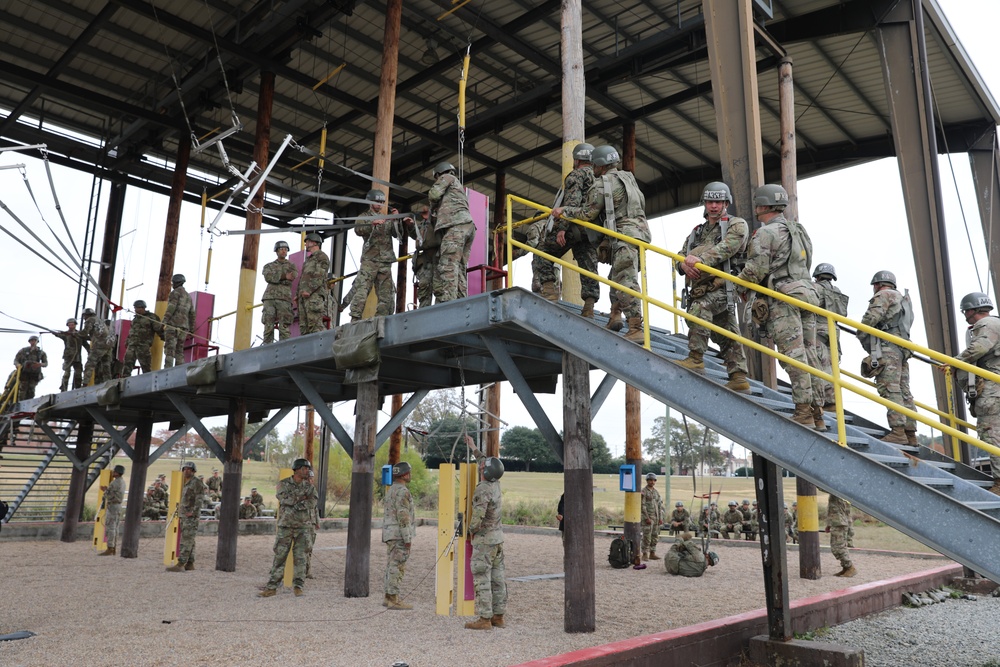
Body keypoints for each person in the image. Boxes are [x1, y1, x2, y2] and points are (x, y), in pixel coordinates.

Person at [735, 184, 821, 428]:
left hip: (784, 298)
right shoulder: (799, 230)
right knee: (810, 354)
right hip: (807, 294)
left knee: (793, 356)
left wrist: (734, 283)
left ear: (763, 205)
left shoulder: (766, 233)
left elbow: (756, 269)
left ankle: (804, 412)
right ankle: (818, 413)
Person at [552, 145, 651, 342]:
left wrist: (564, 211)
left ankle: (636, 327)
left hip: (624, 236)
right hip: (640, 235)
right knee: (616, 276)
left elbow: (588, 213)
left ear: (599, 165)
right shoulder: (628, 178)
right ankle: (615, 316)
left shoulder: (601, 184)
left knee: (625, 281)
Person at [676, 181, 751, 392]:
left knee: (700, 311)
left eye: (718, 202)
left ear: (726, 203)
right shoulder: (696, 232)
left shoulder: (736, 225)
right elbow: (680, 255)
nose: (714, 206)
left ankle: (696, 359)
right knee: (726, 331)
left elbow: (727, 248)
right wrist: (683, 264)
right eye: (710, 201)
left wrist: (698, 261)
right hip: (700, 287)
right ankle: (738, 376)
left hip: (723, 285)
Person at [532, 142, 599, 316]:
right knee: (588, 266)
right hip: (591, 230)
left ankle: (549, 291)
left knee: (542, 250)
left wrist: (562, 228)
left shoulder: (576, 175)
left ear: (577, 160)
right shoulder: (599, 178)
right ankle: (589, 307)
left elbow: (572, 203)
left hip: (573, 226)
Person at [857, 270, 916, 445]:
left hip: (889, 346)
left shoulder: (883, 295)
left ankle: (898, 432)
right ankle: (910, 433)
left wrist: (860, 333)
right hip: (903, 345)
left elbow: (871, 318)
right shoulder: (903, 298)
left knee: (890, 389)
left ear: (877, 285)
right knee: (904, 390)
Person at [950, 292, 1000, 494]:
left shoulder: (986, 324)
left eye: (965, 311)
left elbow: (980, 347)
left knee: (991, 435)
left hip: (992, 389)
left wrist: (955, 361)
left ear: (972, 310)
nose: (965, 315)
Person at [258, 458, 318, 597]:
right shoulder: (283, 484)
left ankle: (298, 586)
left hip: (303, 526)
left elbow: (312, 502)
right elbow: (284, 498)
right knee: (280, 556)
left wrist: (297, 503)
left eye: (308, 468)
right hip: (286, 526)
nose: (307, 471)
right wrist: (301, 498)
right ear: (296, 469)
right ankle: (272, 587)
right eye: (304, 468)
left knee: (301, 558)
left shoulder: (310, 487)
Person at [465, 456, 507, 630]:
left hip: (484, 540)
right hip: (497, 538)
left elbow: (478, 516)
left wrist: (470, 531)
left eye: (483, 466)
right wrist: (473, 447)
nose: (481, 466)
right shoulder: (496, 484)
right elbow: (489, 462)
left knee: (482, 577)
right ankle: (498, 616)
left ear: (485, 471)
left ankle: (484, 618)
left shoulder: (483, 488)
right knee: (498, 578)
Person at [349, 189, 400, 322]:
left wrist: (395, 220)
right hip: (369, 260)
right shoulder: (364, 216)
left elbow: (396, 234)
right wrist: (372, 224)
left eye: (382, 202)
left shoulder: (386, 218)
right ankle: (355, 318)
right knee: (362, 289)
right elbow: (358, 230)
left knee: (386, 293)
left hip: (385, 261)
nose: (380, 204)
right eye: (377, 201)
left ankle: (381, 318)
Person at [428, 162, 475, 304]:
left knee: (447, 263)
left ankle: (449, 302)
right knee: (458, 266)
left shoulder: (446, 177)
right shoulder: (457, 185)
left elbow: (434, 194)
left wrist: (432, 205)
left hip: (457, 226)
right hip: (468, 227)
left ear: (438, 174)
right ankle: (461, 301)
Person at [382, 461, 416, 610]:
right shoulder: (403, 491)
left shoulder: (391, 490)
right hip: (398, 534)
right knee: (398, 565)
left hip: (390, 533)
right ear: (404, 474)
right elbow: (403, 516)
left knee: (391, 564)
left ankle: (388, 596)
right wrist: (407, 538)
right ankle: (393, 598)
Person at [167, 461, 205, 572]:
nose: (186, 471)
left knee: (186, 540)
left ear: (193, 471)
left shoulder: (196, 483)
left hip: (191, 516)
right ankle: (190, 563)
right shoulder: (185, 482)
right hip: (184, 514)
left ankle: (181, 563)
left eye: (189, 469)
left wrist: (194, 512)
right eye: (185, 469)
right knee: (190, 540)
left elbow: (199, 499)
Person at [261, 240, 298, 343]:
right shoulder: (268, 266)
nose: (283, 251)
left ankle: (284, 348)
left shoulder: (291, 266)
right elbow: (268, 277)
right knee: (268, 324)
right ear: (276, 251)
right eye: (281, 249)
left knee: (284, 326)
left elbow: (292, 276)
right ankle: (267, 347)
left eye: (285, 250)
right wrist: (284, 276)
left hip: (284, 298)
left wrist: (277, 277)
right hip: (270, 298)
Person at [405, 204, 437, 308]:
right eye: (423, 213)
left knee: (440, 289)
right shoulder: (422, 225)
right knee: (424, 288)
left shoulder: (438, 221)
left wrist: (432, 219)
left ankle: (441, 312)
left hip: (438, 260)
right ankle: (424, 311)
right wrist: (410, 225)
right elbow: (415, 234)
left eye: (426, 212)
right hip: (425, 262)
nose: (424, 215)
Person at [298, 233, 330, 335]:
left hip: (314, 296)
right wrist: (297, 295)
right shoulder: (308, 260)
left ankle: (320, 348)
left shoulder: (322, 257)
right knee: (304, 327)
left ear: (314, 242)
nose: (306, 244)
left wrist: (309, 290)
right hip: (303, 297)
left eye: (307, 242)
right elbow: (302, 278)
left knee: (315, 325)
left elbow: (319, 276)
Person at [162, 274, 195, 368]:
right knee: (179, 350)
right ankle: (179, 369)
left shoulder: (175, 293)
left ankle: (167, 370)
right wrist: (192, 330)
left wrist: (164, 320)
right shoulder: (188, 296)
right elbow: (192, 313)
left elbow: (171, 307)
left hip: (173, 325)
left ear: (176, 282)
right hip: (184, 327)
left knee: (170, 349)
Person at [120, 300, 161, 376]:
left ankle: (147, 378)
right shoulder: (135, 319)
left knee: (145, 364)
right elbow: (132, 331)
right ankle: (124, 378)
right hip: (132, 344)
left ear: (142, 308)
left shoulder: (151, 317)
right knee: (127, 362)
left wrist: (165, 338)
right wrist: (127, 341)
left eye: (136, 308)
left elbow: (159, 329)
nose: (135, 310)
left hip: (143, 345)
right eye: (135, 308)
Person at [99, 464, 126, 556]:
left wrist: (105, 490)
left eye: (114, 471)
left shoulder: (114, 483)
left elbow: (109, 495)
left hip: (113, 506)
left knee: (111, 527)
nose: (113, 473)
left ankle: (110, 547)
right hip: (118, 506)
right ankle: (113, 547)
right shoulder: (122, 482)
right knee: (116, 527)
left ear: (117, 473)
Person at [52, 318, 85, 391]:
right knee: (66, 374)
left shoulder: (79, 334)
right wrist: (55, 333)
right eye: (69, 325)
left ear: (75, 325)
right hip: (68, 357)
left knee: (78, 374)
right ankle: (63, 389)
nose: (71, 326)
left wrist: (90, 351)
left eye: (72, 324)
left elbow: (85, 343)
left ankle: (78, 388)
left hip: (77, 357)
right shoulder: (66, 334)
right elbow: (59, 335)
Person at [827, 494, 855, 577]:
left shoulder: (838, 492)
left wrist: (815, 482)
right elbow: (832, 510)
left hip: (839, 523)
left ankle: (850, 567)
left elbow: (845, 512)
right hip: (837, 522)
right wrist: (829, 524)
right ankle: (845, 568)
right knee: (838, 547)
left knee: (838, 547)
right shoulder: (837, 494)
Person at [13, 335, 47, 400]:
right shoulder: (23, 350)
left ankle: (29, 403)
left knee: (31, 390)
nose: (33, 342)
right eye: (32, 341)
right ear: (29, 342)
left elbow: (46, 363)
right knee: (23, 389)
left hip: (34, 374)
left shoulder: (41, 353)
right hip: (24, 373)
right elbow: (16, 360)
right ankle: (20, 403)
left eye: (35, 341)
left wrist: (40, 364)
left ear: (37, 342)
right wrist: (18, 365)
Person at [640, 472, 665, 560]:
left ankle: (652, 553)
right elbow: (642, 506)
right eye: (650, 480)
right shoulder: (644, 492)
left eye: (653, 480)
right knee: (647, 536)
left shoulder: (656, 492)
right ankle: (644, 554)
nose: (652, 482)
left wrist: (660, 518)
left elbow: (659, 506)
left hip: (656, 518)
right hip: (648, 518)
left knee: (655, 536)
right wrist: (647, 518)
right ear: (647, 481)